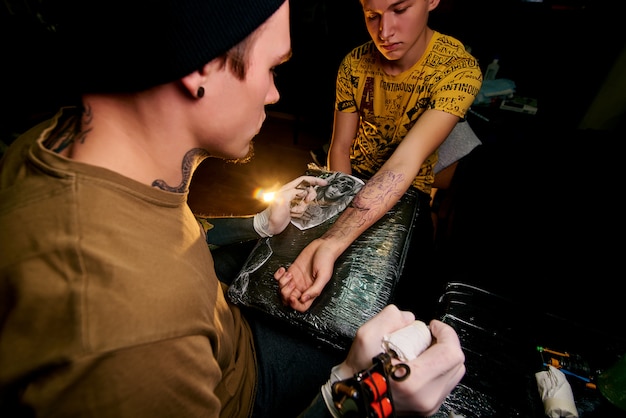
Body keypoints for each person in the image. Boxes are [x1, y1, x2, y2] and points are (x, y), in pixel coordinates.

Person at [0, 0, 466, 417]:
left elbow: (166, 233)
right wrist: (355, 397)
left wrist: (257, 223)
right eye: (271, 69)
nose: (274, 94)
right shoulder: (130, 342)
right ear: (201, 67)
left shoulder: (54, 145)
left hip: (229, 338)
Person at [274, 0, 483, 316]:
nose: (384, 32)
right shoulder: (354, 64)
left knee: (401, 300)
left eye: (400, 10)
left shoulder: (457, 69)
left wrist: (333, 239)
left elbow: (404, 162)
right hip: (352, 179)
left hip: (409, 195)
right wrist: (335, 217)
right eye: (372, 16)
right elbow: (340, 148)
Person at [291, 172, 364, 230]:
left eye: (340, 191)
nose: (334, 191)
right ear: (330, 184)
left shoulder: (332, 210)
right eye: (335, 186)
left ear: (343, 195)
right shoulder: (310, 192)